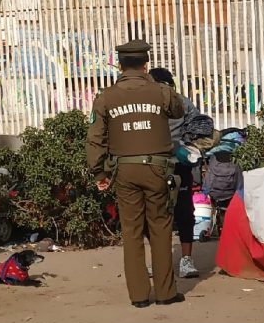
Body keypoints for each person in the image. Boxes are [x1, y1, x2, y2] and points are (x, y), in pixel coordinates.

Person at [86, 39, 186, 308]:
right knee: (161, 228)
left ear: (120, 65)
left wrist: (99, 173)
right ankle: (166, 293)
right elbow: (179, 110)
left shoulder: (105, 97)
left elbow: (95, 139)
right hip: (157, 169)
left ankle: (139, 295)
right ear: (146, 64)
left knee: (131, 232)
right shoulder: (161, 92)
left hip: (124, 171)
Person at [149, 67, 201, 279]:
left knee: (183, 212)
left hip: (178, 165)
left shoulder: (183, 103)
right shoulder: (147, 105)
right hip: (155, 165)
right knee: (158, 214)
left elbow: (198, 127)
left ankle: (186, 261)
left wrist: (183, 146)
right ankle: (160, 261)